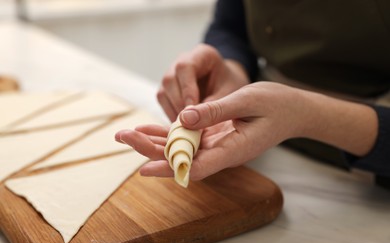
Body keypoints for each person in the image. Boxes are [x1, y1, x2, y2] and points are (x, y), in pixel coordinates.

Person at [116, 0, 390, 186]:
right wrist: (231, 69)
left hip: (370, 167)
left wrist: (307, 115)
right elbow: (231, 26)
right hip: (260, 134)